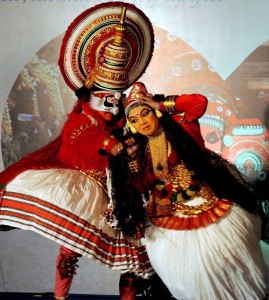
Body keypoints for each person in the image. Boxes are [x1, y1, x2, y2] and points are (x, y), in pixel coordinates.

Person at [0, 3, 161, 300]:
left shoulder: (131, 117)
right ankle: (61, 298)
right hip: (86, 190)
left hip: (127, 194)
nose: (112, 103)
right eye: (105, 97)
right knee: (69, 249)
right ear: (92, 92)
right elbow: (78, 141)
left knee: (134, 259)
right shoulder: (82, 117)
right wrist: (111, 146)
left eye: (117, 97)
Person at [109, 82, 269, 300]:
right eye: (135, 120)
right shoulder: (141, 149)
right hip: (168, 213)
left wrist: (161, 103)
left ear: (156, 112)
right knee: (187, 271)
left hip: (204, 202)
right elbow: (143, 186)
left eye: (145, 113)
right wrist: (135, 169)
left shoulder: (182, 125)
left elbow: (198, 103)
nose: (142, 122)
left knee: (226, 256)